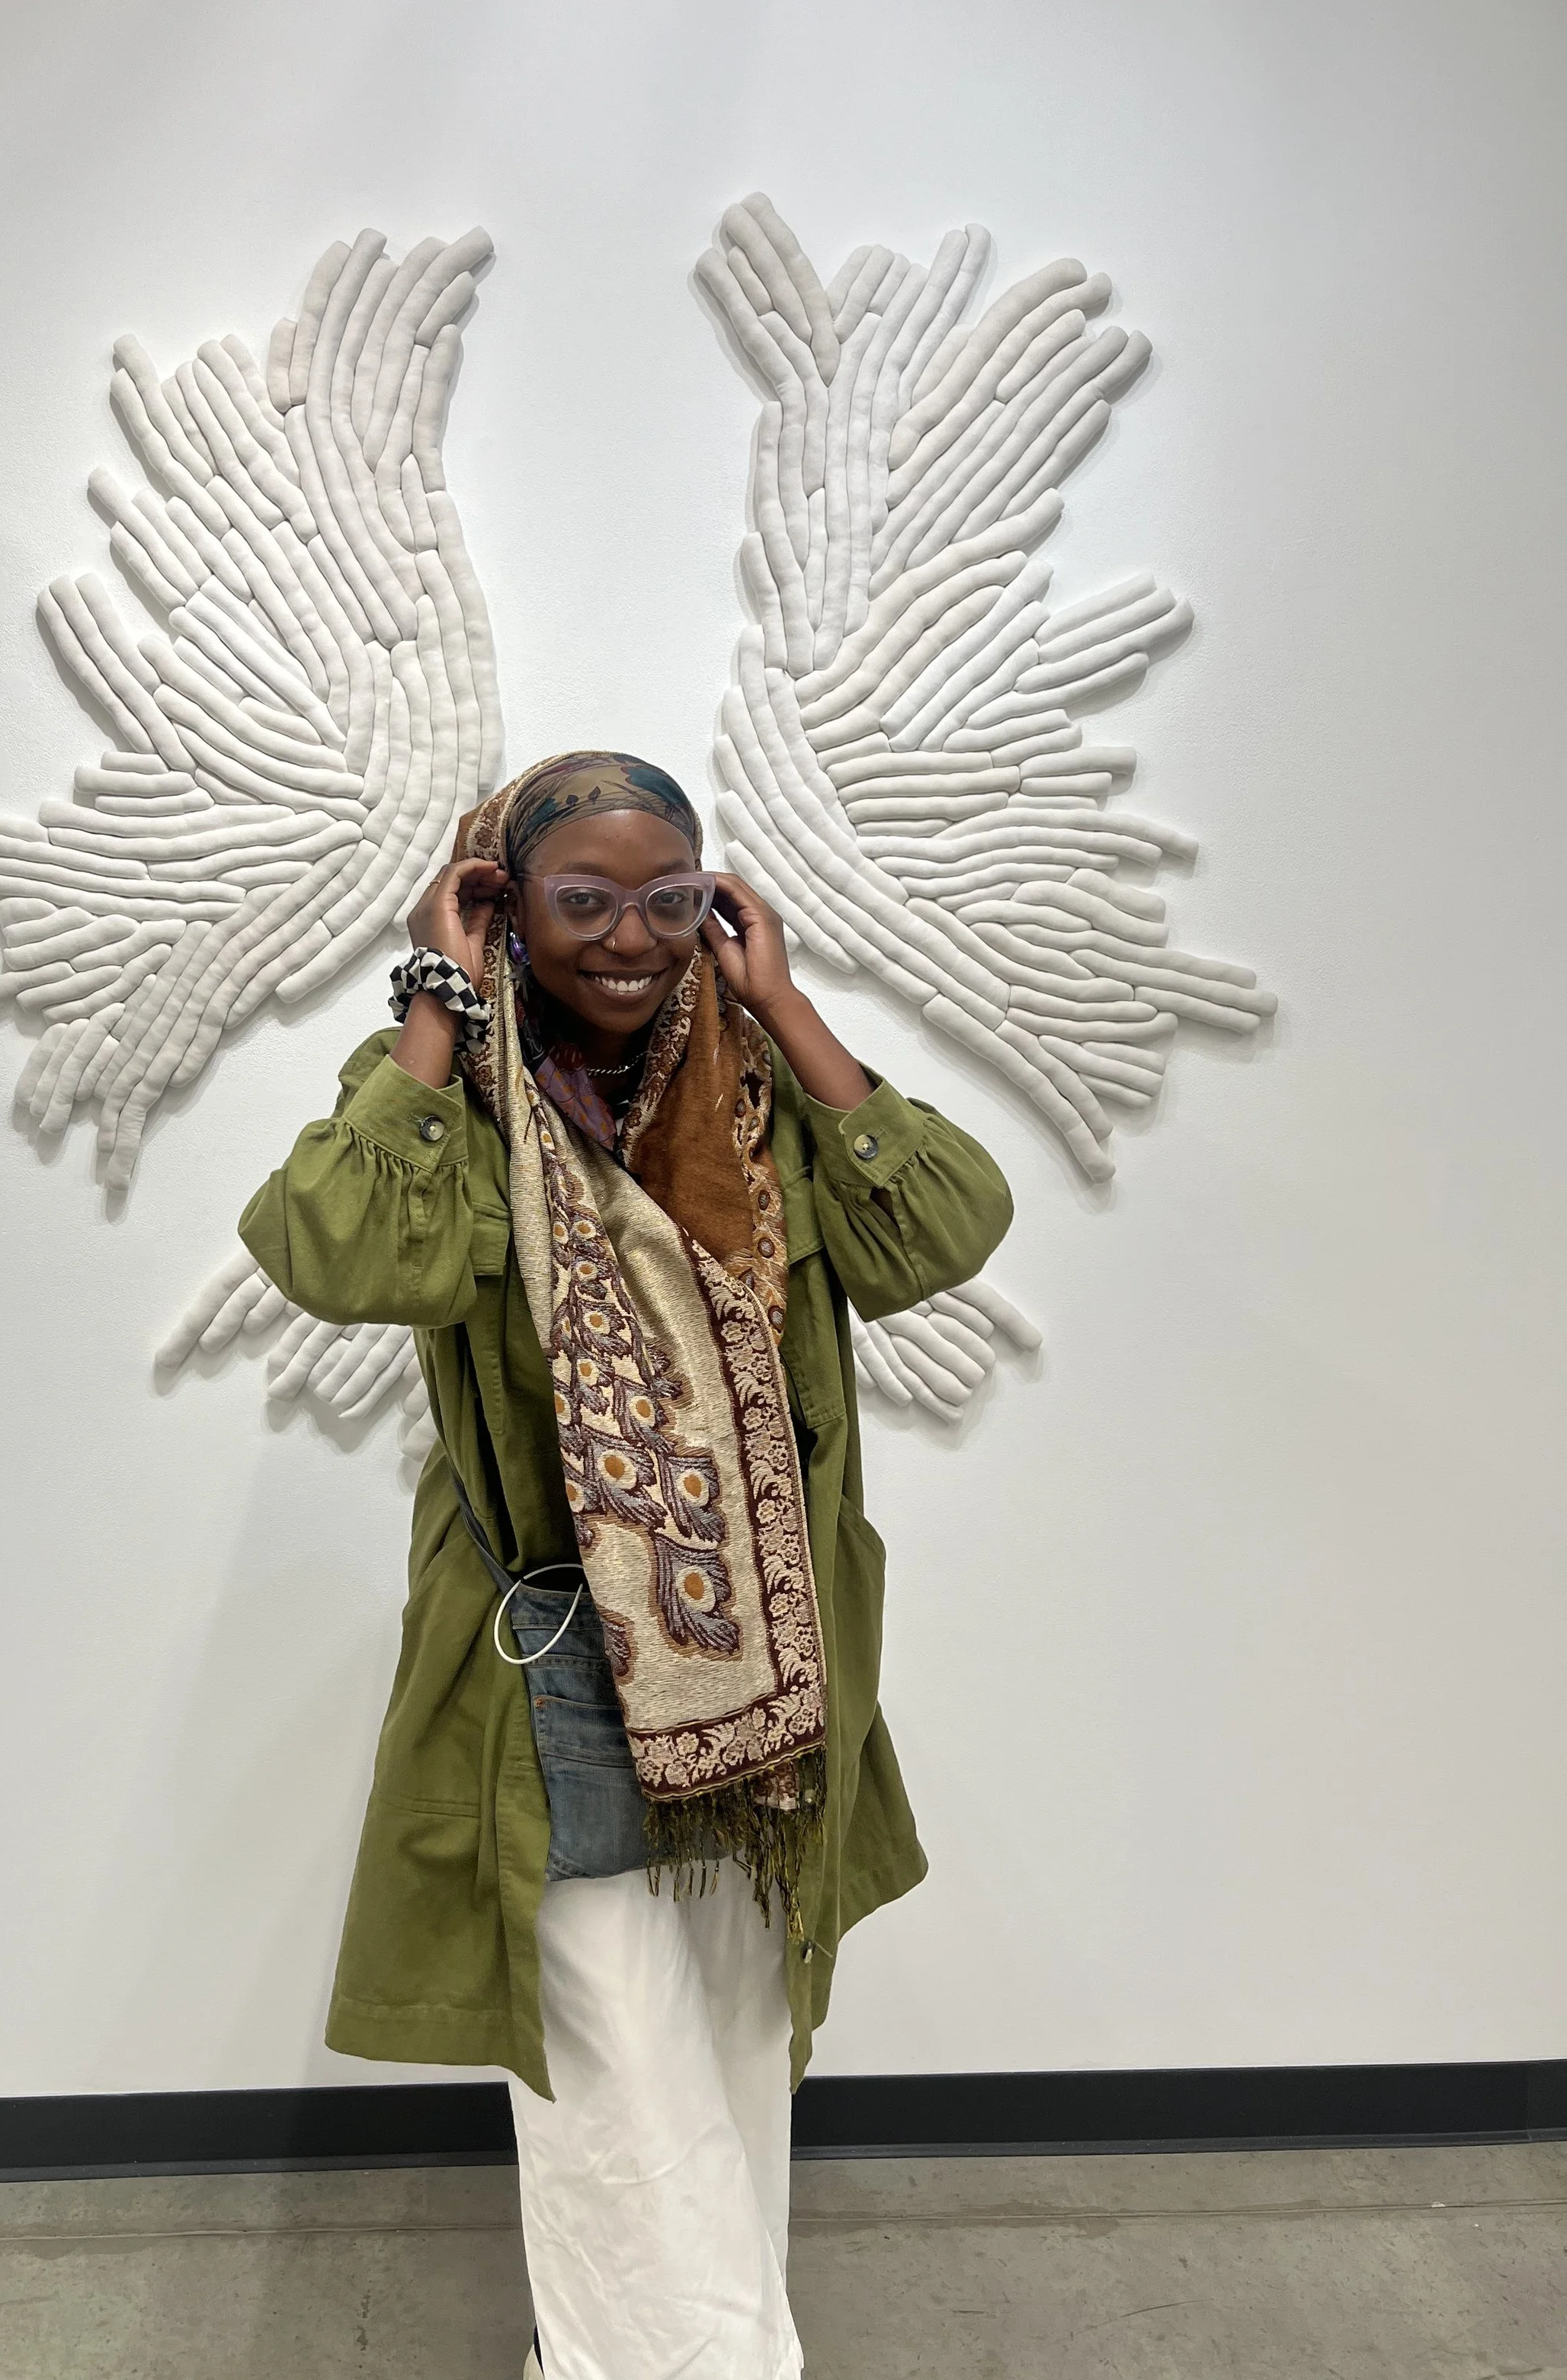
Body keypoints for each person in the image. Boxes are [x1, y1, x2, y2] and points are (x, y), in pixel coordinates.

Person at [239, 752, 1013, 2380]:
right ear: (504, 902)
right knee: (618, 2086)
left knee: (734, 2055)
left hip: (764, 1671)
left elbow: (942, 1229)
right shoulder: (450, 1097)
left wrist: (784, 1002)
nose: (628, 937)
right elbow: (340, 1249)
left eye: (667, 898)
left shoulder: (756, 1094)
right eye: (581, 899)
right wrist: (433, 1006)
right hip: (549, 1663)